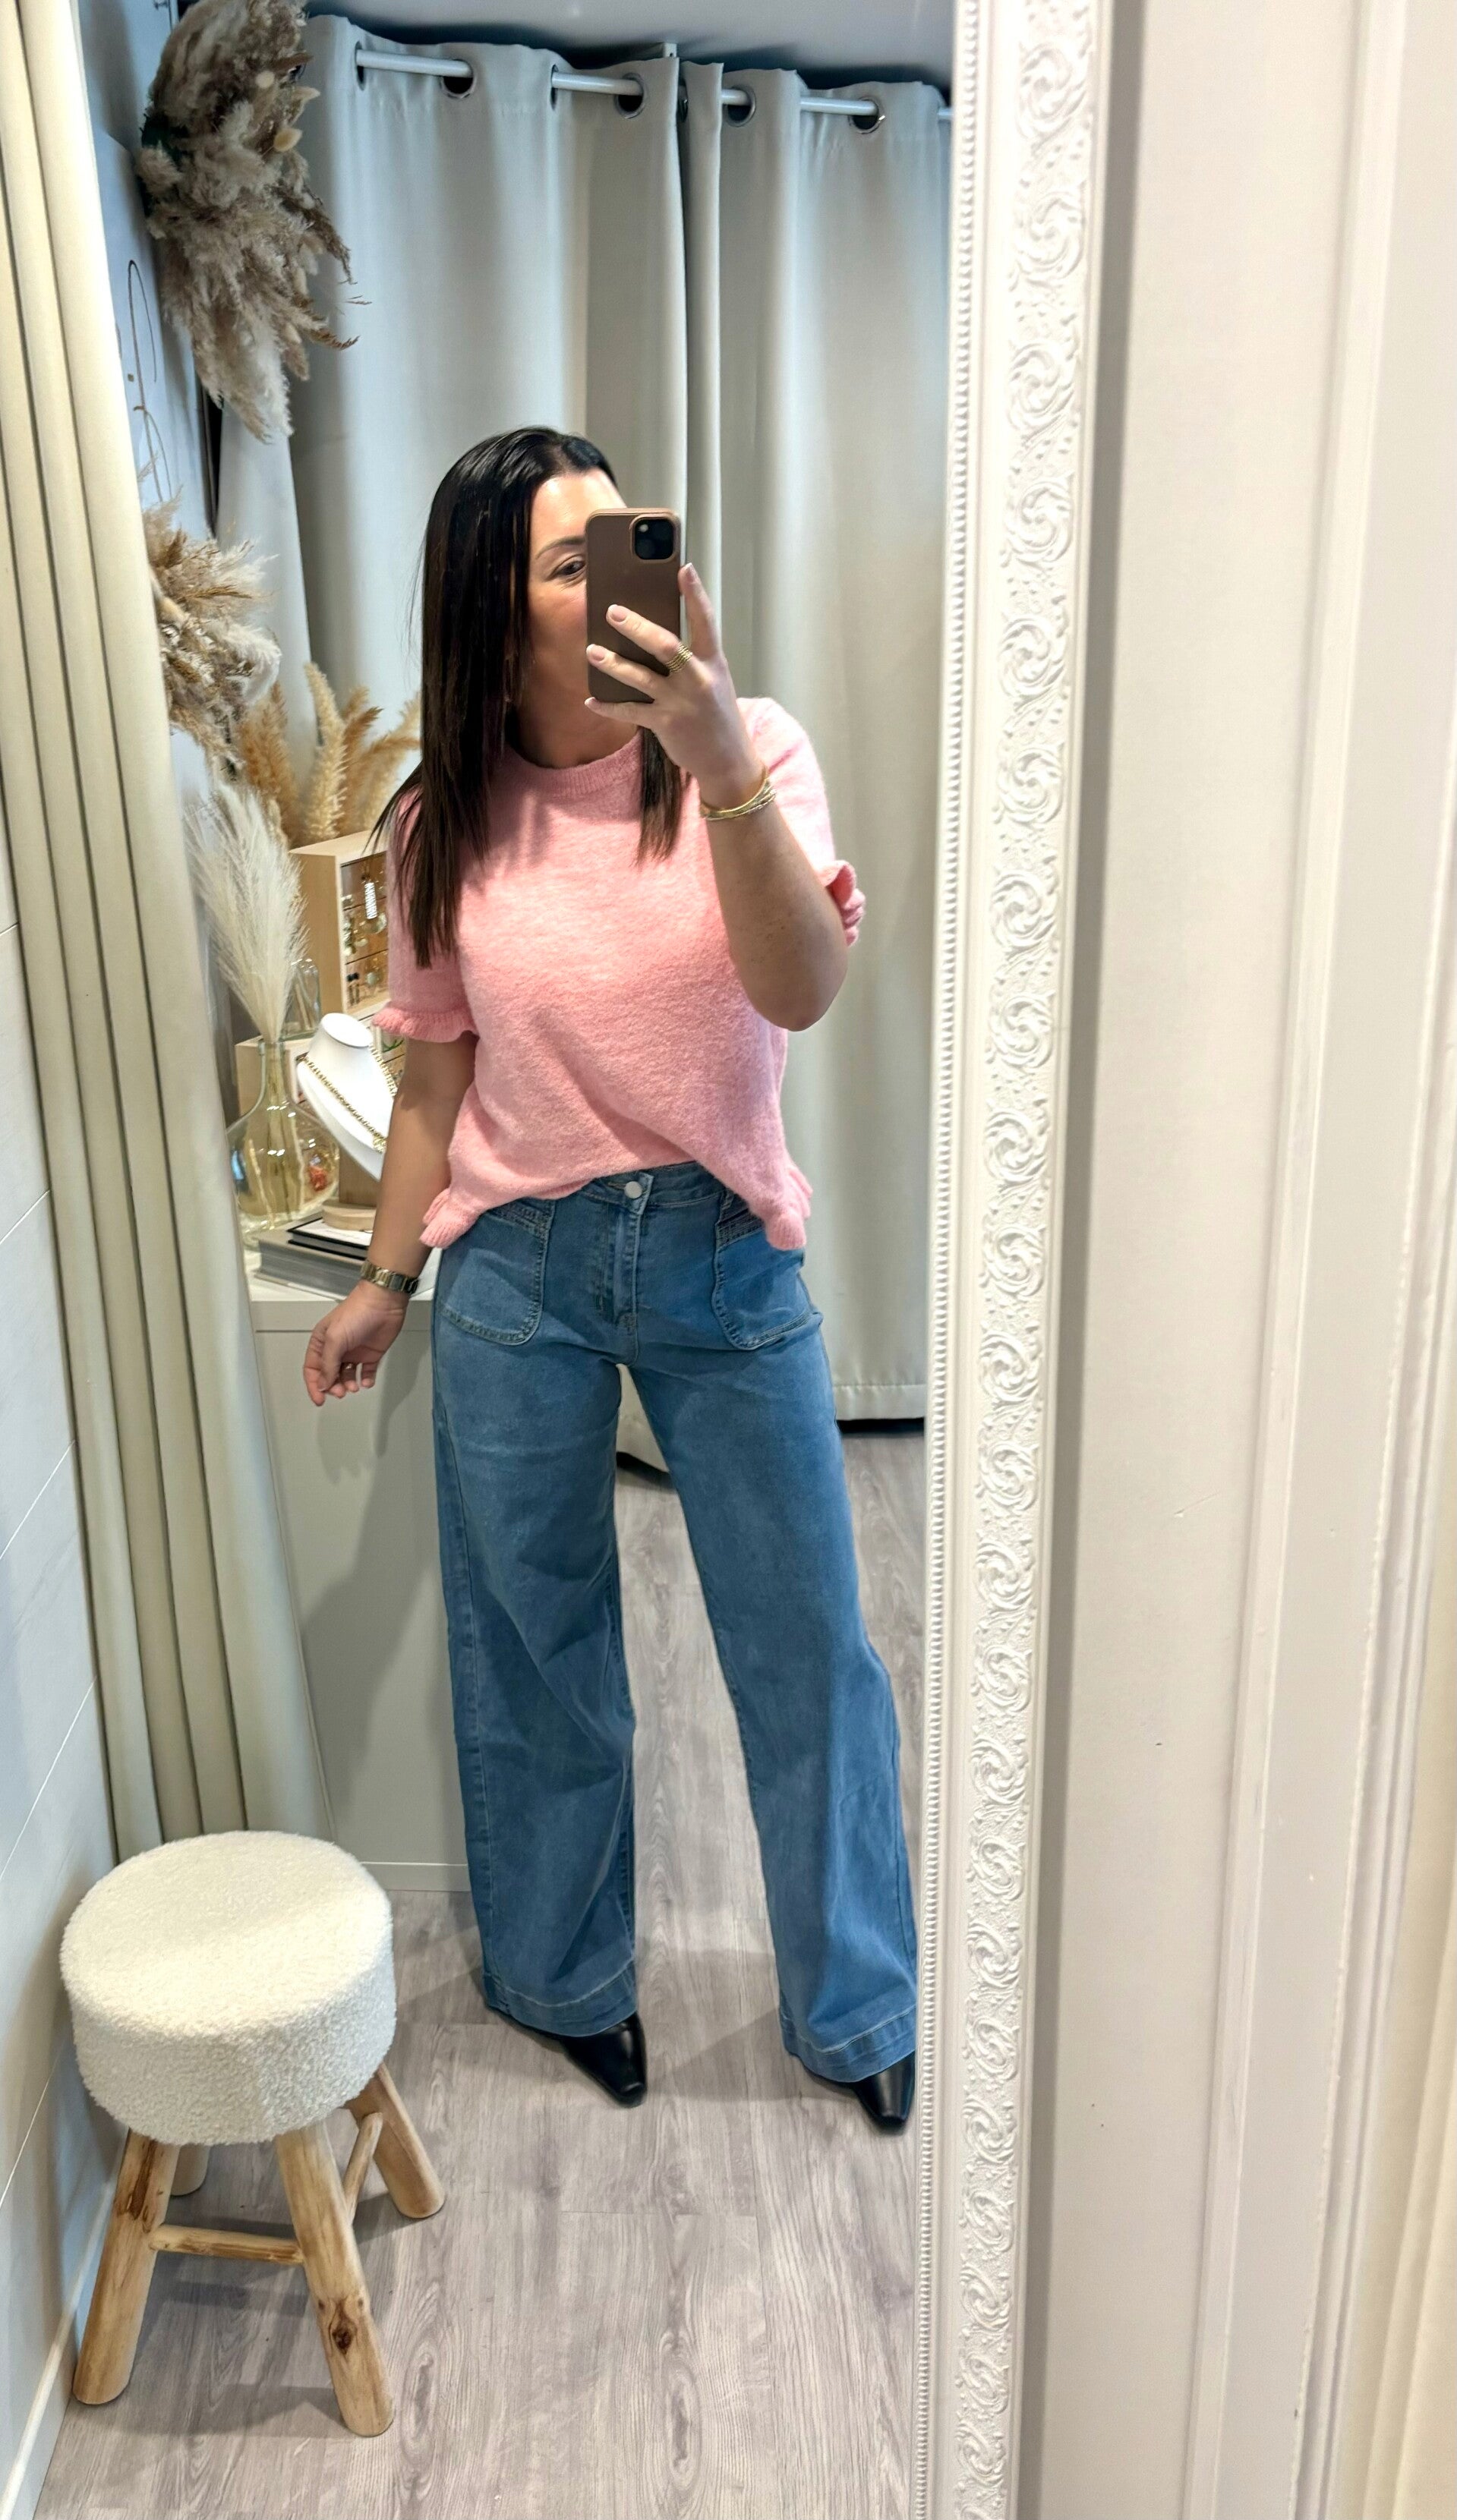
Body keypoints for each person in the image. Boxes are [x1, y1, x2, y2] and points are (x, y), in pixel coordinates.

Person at [302, 427, 917, 2131]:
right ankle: (562, 1976)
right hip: (520, 1268)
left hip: (723, 1254)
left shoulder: (750, 746)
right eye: (571, 562)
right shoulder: (439, 819)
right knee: (537, 1645)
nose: (626, 575)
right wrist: (384, 1279)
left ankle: (858, 1995)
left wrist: (717, 765)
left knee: (808, 1647)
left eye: (625, 539)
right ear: (493, 613)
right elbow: (433, 1074)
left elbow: (803, 990)